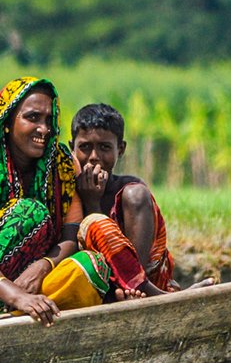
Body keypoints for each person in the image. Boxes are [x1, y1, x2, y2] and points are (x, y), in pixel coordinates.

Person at [0, 77, 113, 325]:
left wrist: (43, 265)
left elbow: (70, 237)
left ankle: (40, 311)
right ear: (8, 121)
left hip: (38, 283)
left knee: (93, 265)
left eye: (48, 120)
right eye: (32, 118)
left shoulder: (61, 166)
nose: (43, 128)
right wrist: (17, 296)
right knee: (29, 213)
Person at [70, 102, 180, 299]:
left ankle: (139, 287)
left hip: (136, 288)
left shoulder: (128, 190)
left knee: (136, 195)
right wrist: (90, 202)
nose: (94, 157)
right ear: (72, 148)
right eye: (85, 147)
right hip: (91, 283)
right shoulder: (65, 189)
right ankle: (151, 292)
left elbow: (136, 260)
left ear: (120, 149)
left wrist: (94, 205)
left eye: (104, 147)